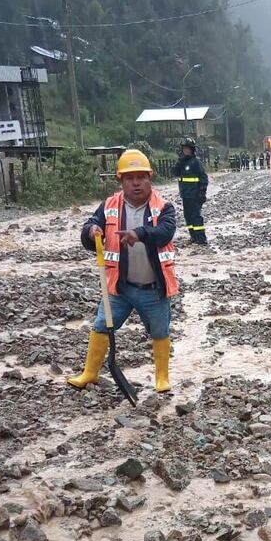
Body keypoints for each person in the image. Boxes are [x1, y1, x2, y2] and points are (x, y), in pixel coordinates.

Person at [69, 149, 178, 394]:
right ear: (121, 180)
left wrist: (138, 234)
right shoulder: (109, 206)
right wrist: (91, 231)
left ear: (150, 178)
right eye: (130, 178)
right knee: (100, 326)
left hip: (153, 289)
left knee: (160, 331)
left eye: (141, 177)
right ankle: (90, 373)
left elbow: (165, 233)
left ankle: (161, 377)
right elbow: (90, 226)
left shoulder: (164, 207)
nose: (136, 182)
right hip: (120, 287)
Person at [172, 137, 208, 246]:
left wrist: (202, 192)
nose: (185, 151)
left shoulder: (196, 162)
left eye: (187, 149)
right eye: (184, 149)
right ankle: (193, 237)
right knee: (188, 216)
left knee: (196, 216)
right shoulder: (182, 162)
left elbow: (203, 178)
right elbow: (175, 173)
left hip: (195, 194)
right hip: (185, 195)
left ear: (192, 149)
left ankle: (201, 239)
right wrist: (179, 162)